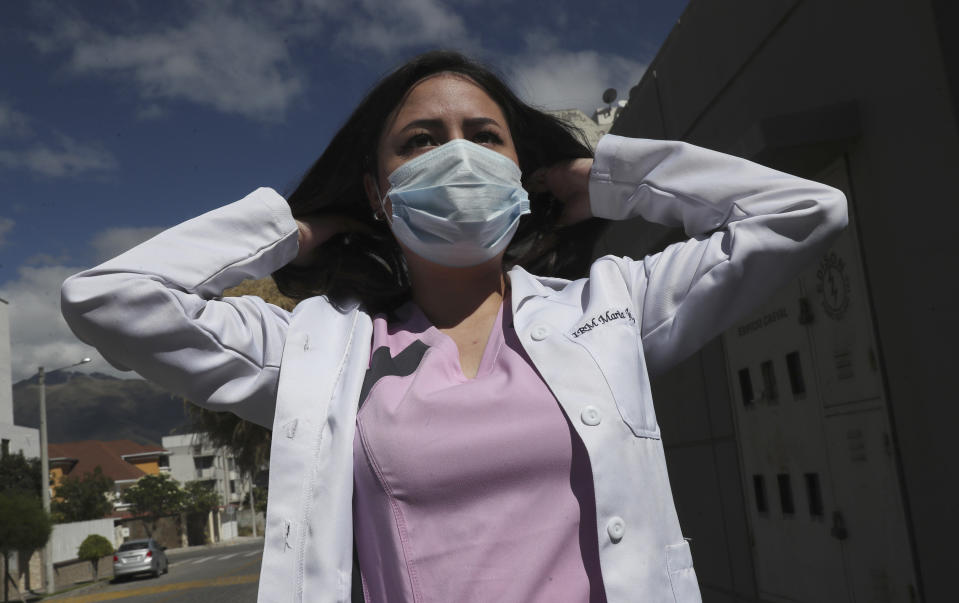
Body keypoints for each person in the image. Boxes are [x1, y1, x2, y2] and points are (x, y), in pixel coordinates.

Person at [60, 51, 847, 603]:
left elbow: (804, 212)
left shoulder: (608, 309)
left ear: (521, 171)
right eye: (421, 142)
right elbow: (111, 297)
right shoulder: (318, 350)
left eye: (485, 136)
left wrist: (606, 177)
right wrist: (297, 229)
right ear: (377, 190)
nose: (458, 158)